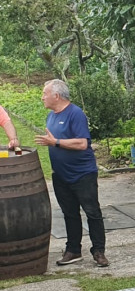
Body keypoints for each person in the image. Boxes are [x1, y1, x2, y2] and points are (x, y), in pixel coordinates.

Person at [35, 79, 108, 267]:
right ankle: (73, 250)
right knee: (69, 213)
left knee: (92, 212)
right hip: (61, 175)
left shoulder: (75, 114)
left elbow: (83, 143)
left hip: (83, 174)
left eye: (45, 93)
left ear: (56, 96)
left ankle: (99, 251)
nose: (42, 97)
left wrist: (56, 142)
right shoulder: (51, 116)